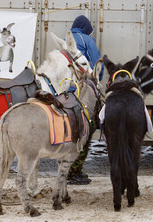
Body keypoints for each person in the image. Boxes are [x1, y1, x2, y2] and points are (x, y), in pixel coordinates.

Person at [66, 15, 100, 185]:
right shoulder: (87, 40)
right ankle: (74, 172)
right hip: (81, 93)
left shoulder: (65, 40)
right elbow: (96, 66)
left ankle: (64, 170)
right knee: (86, 128)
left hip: (64, 92)